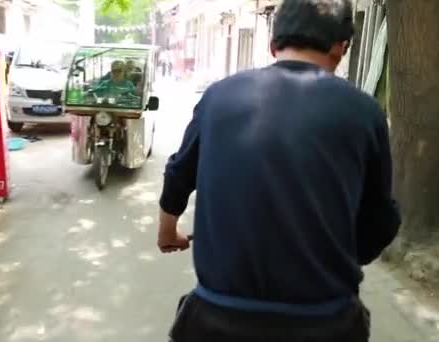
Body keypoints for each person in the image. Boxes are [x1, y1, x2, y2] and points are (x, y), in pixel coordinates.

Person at [157, 1, 401, 341]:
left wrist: (168, 234)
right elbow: (379, 221)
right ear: (340, 48)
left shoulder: (219, 97)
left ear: (273, 46)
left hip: (217, 321)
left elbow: (179, 174)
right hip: (326, 321)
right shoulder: (366, 112)